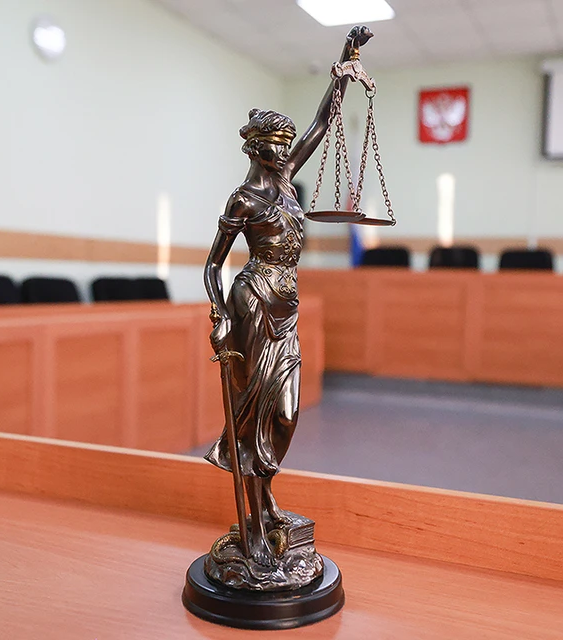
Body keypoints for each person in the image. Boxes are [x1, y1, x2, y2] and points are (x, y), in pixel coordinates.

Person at [203, 26, 373, 568]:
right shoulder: (245, 198)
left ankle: (267, 498)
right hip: (252, 304)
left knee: (284, 412)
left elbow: (323, 124)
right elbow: (213, 265)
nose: (283, 153)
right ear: (256, 149)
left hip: (287, 309)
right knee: (252, 417)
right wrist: (219, 316)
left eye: (285, 146)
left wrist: (342, 66)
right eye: (276, 146)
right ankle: (254, 523)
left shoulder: (288, 178)